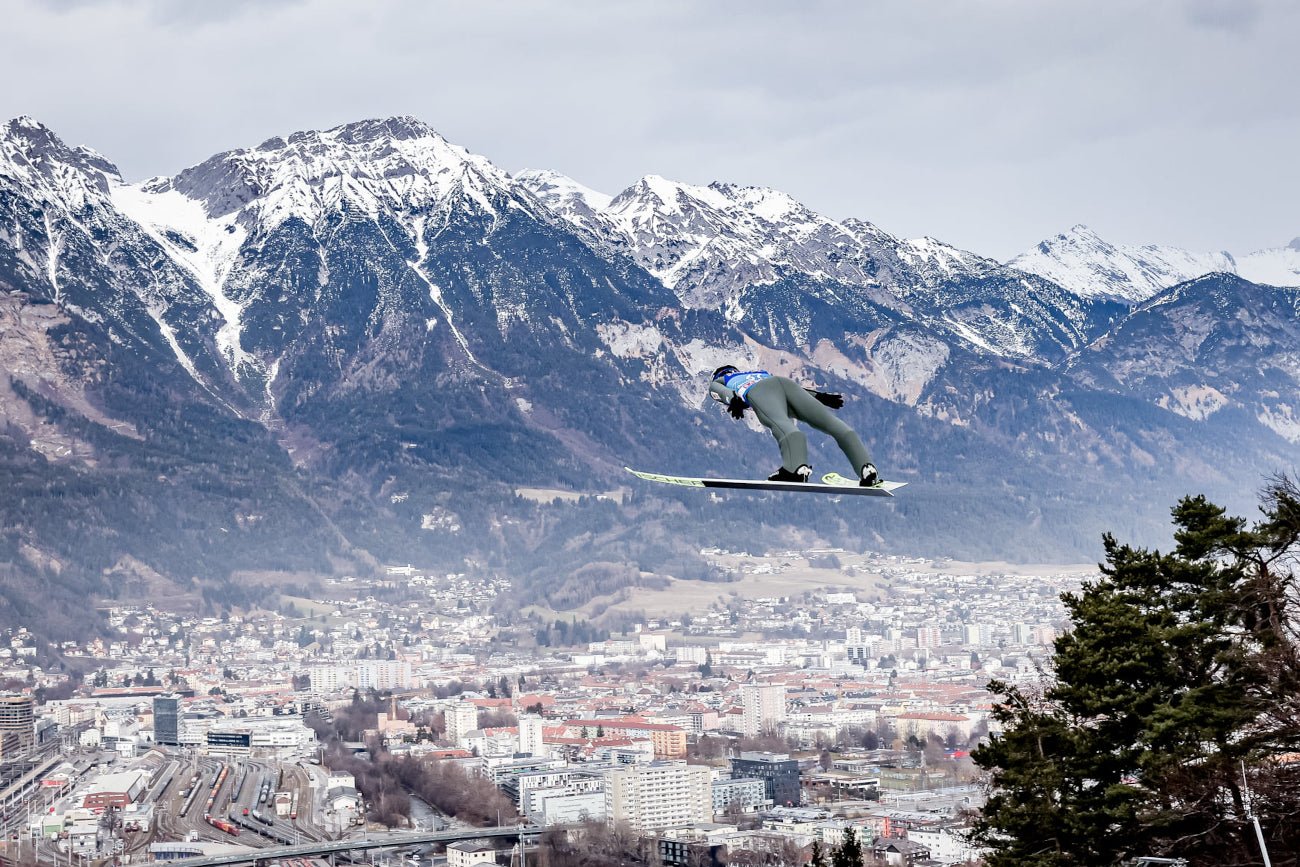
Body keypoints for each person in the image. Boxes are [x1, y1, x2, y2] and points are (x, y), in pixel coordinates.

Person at [708, 365, 880, 485]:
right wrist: (819, 397)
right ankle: (867, 468)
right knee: (832, 423)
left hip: (759, 392)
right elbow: (782, 388)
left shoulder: (723, 379)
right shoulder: (757, 372)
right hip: (784, 383)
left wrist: (733, 399)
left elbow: (717, 390)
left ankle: (796, 469)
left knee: (782, 426)